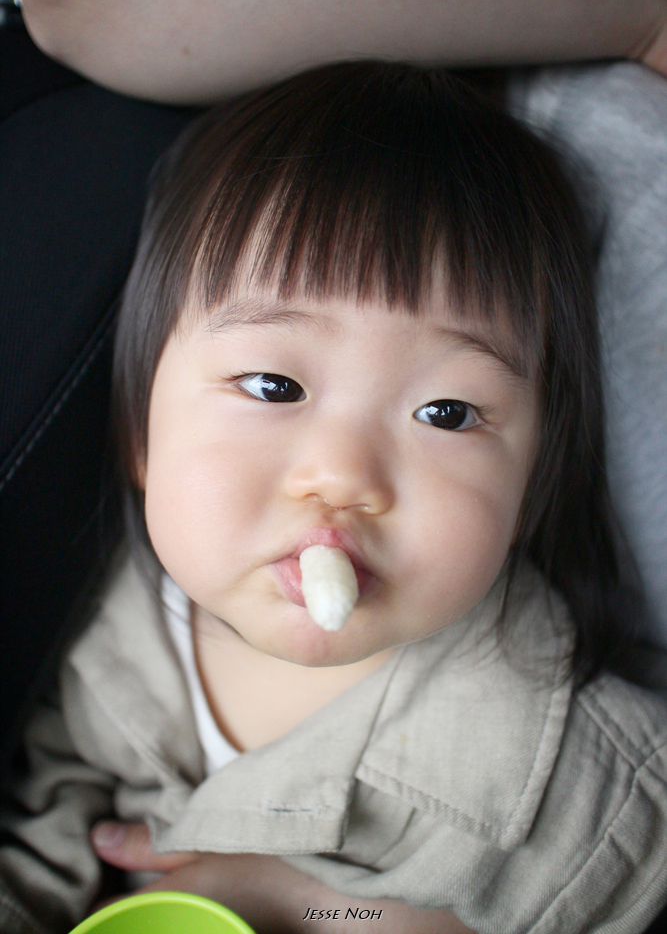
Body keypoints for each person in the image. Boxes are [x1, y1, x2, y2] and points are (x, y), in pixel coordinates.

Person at [2, 59, 667, 934]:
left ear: (532, 486)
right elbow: (43, 818)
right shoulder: (90, 626)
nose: (344, 477)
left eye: (446, 412)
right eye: (273, 387)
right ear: (140, 437)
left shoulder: (585, 803)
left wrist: (341, 912)